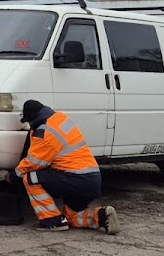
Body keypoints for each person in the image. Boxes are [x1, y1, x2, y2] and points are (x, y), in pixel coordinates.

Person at [13, 100, 121, 234]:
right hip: (92, 179)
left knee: (30, 178)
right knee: (72, 217)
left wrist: (14, 175)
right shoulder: (61, 118)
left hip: (75, 179)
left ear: (33, 119)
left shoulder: (44, 132)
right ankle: (102, 216)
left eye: (29, 121)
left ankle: (53, 221)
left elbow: (33, 164)